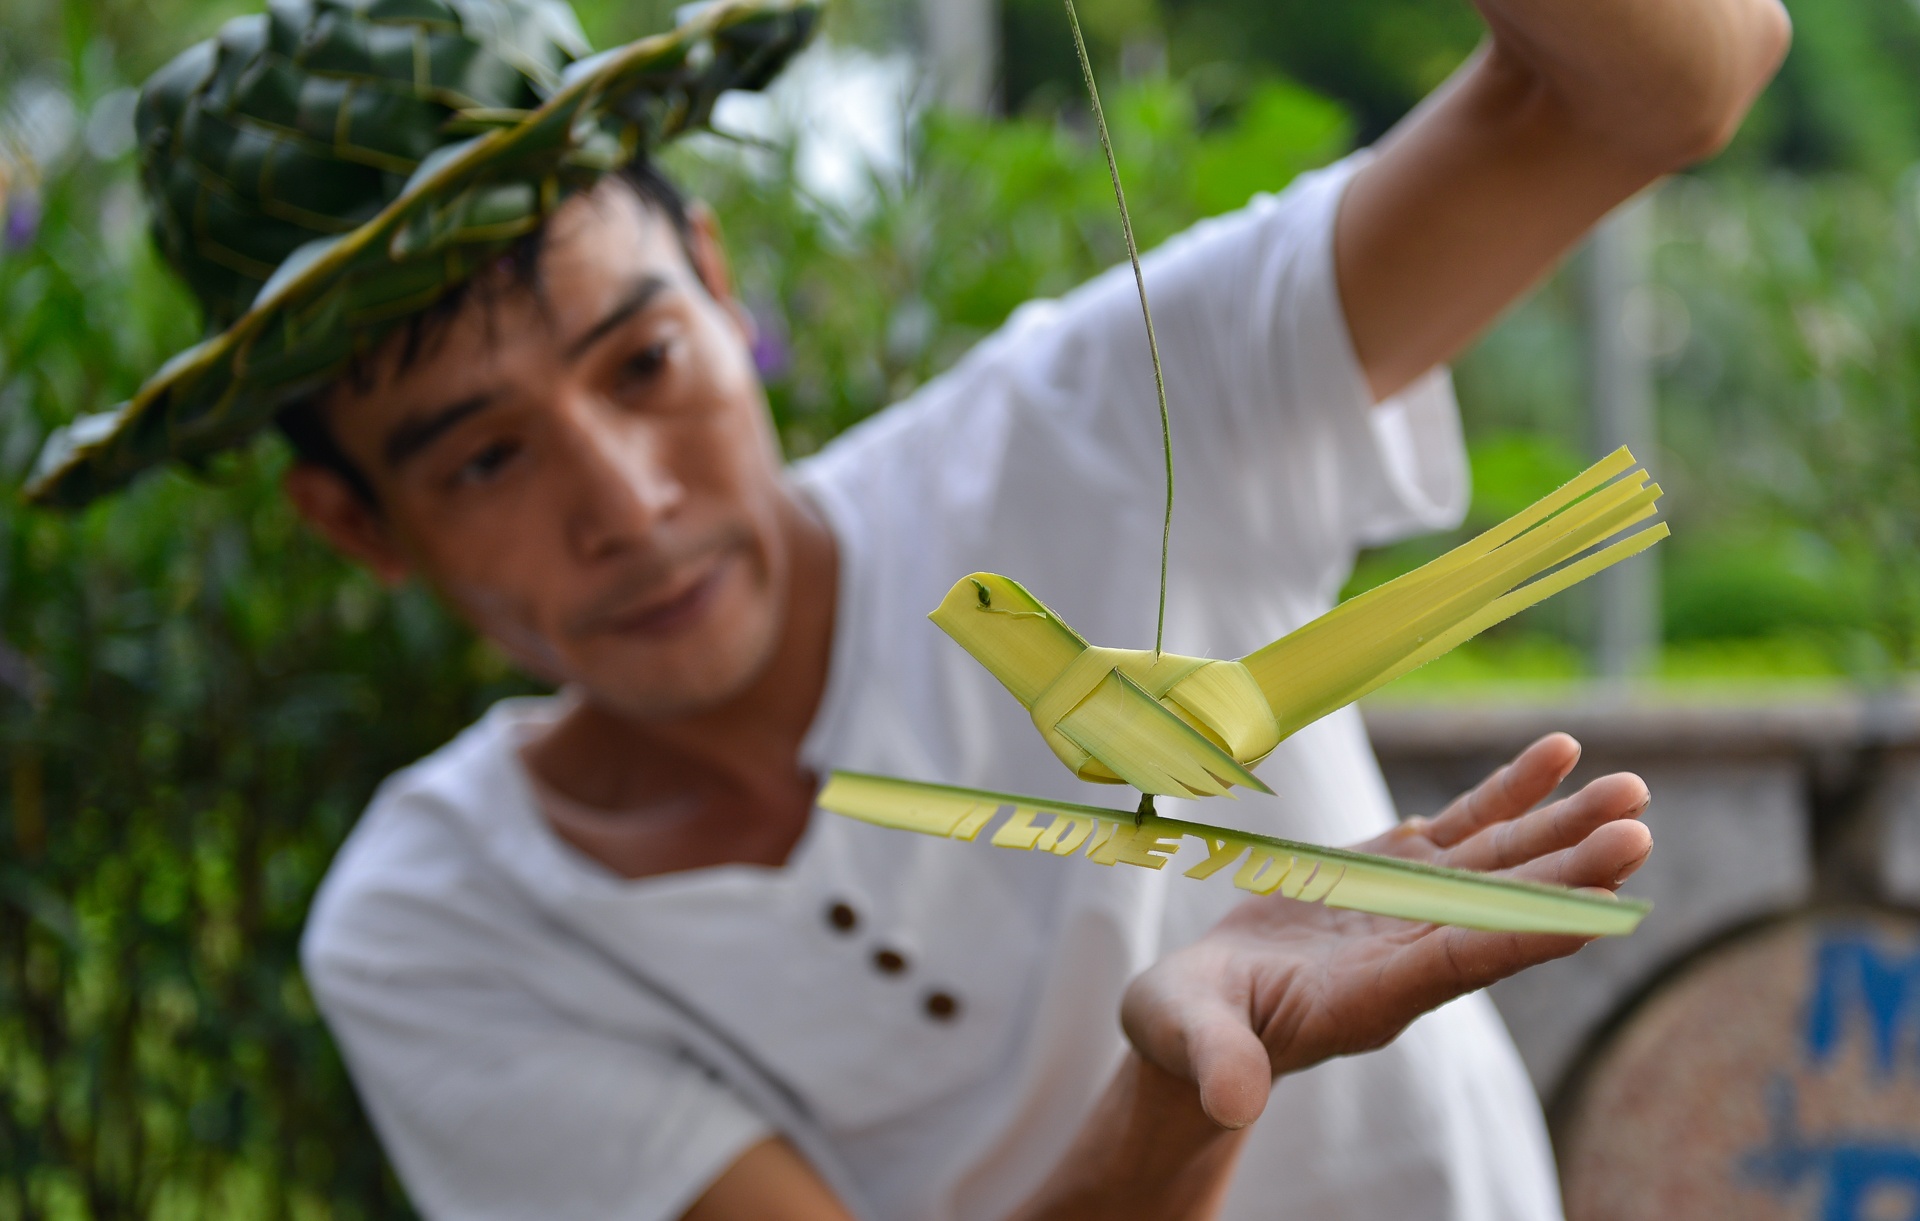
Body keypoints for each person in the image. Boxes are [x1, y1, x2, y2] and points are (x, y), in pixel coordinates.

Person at [29, 0, 1788, 1216]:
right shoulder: (441, 918)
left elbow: (1680, 81)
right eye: (485, 459)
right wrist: (1185, 1083)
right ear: (354, 518)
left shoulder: (1090, 421)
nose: (628, 502)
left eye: (642, 361)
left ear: (718, 285)